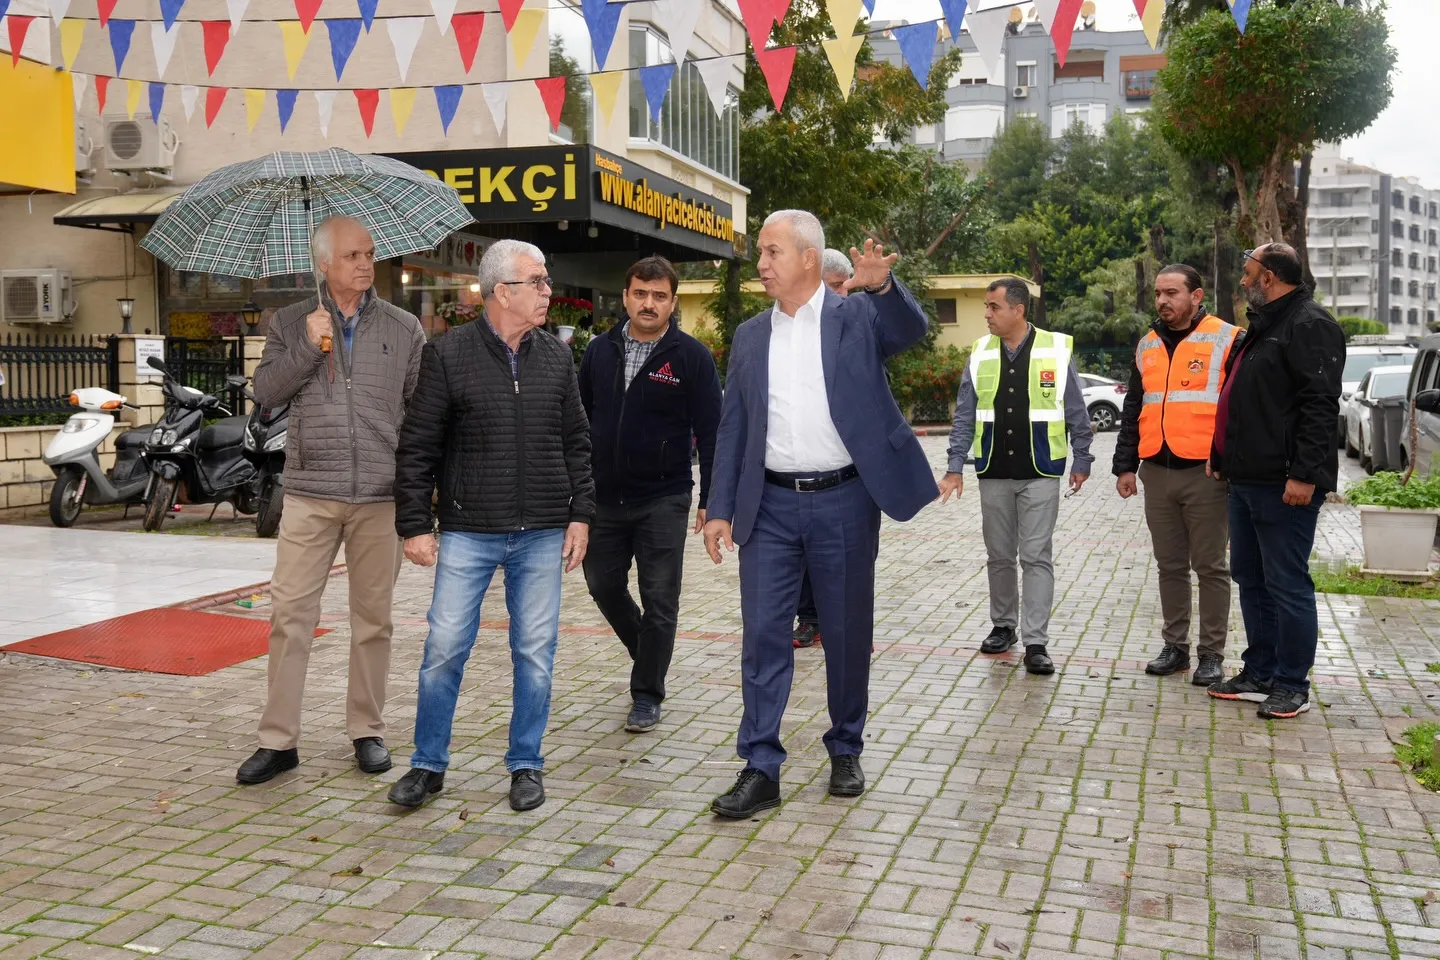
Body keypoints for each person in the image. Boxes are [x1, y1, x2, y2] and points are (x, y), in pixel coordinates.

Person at [702, 211, 939, 818]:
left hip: (845, 499)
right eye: (760, 252)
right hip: (770, 505)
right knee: (762, 635)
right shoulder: (752, 335)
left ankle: (845, 748)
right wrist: (719, 507)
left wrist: (882, 285)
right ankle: (760, 765)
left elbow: (910, 329)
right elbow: (733, 427)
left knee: (845, 629)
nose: (761, 263)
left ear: (809, 257)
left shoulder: (854, 316)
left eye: (772, 251)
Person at [389, 239, 596, 812]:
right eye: (538, 281)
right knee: (444, 648)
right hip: (468, 530)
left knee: (535, 650)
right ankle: (427, 766)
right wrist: (414, 524)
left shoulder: (556, 358)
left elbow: (578, 441)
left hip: (543, 531)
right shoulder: (448, 355)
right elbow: (418, 448)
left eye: (547, 281)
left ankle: (526, 764)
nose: (548, 292)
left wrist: (581, 514)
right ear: (502, 291)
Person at [236, 216, 425, 785]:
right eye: (351, 256)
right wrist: (307, 346)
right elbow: (265, 393)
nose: (366, 265)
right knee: (290, 614)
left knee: (374, 621)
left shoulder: (404, 327)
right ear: (323, 264)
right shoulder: (291, 320)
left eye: (369, 255)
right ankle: (279, 742)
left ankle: (366, 731)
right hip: (310, 493)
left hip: (380, 496)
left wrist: (421, 496)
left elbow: (418, 415)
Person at [577, 256, 722, 733]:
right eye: (641, 293)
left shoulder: (691, 357)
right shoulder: (599, 351)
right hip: (603, 497)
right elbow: (578, 425)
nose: (648, 303)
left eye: (659, 296)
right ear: (626, 296)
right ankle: (651, 656)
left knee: (660, 597)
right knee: (602, 585)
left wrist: (710, 499)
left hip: (664, 496)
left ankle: (646, 693)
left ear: (673, 302)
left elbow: (713, 431)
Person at [1207, 243, 1343, 719]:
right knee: (1251, 578)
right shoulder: (1264, 327)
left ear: (1268, 277)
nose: (1243, 282)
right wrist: (1220, 453)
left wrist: (1305, 475)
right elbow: (1238, 397)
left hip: (1284, 483)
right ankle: (1259, 671)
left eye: (1248, 274)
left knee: (1287, 583)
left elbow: (1320, 407)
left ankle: (1291, 684)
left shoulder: (1309, 325)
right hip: (1246, 479)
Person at [938, 277, 1093, 676]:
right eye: (987, 307)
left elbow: (1075, 407)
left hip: (1041, 470)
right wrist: (955, 466)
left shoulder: (1057, 348)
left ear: (1018, 310)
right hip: (992, 470)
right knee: (1000, 556)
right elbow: (965, 414)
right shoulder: (979, 352)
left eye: (993, 307)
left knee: (1036, 556)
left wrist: (1082, 458)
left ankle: (1036, 642)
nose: (986, 314)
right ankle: (1003, 626)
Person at [1113, 265, 1240, 687]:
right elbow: (1135, 406)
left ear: (1197, 296)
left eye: (1172, 293)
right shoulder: (1146, 344)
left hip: (1206, 472)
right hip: (1157, 471)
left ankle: (1211, 654)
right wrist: (1125, 465)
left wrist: (1229, 461)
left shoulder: (1228, 339)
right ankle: (1176, 647)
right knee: (1169, 565)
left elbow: (1239, 408)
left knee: (1210, 566)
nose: (1163, 301)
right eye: (1158, 294)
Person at [793, 247, 860, 649]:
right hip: (798, 476)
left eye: (844, 288)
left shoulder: (857, 324)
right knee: (802, 557)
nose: (841, 295)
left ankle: (852, 625)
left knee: (852, 560)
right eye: (835, 287)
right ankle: (810, 619)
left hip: (851, 474)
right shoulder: (789, 329)